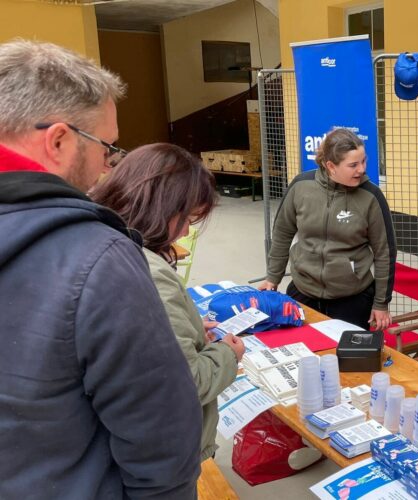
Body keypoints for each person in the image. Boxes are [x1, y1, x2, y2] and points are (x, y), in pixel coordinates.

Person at [0, 40, 201, 498]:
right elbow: (161, 439)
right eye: (107, 147)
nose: (107, 166)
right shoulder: (96, 258)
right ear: (58, 140)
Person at [90, 143, 244, 461]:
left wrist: (188, 327)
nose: (186, 230)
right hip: (172, 448)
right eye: (187, 218)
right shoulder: (151, 271)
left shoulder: (104, 244)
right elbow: (189, 381)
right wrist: (228, 352)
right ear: (160, 206)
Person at [259, 128, 396, 331]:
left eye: (363, 161)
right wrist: (273, 276)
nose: (362, 169)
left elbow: (385, 253)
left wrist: (381, 303)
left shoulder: (371, 197)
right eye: (353, 165)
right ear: (331, 166)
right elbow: (282, 233)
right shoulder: (300, 186)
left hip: (352, 298)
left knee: (347, 360)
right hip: (303, 290)